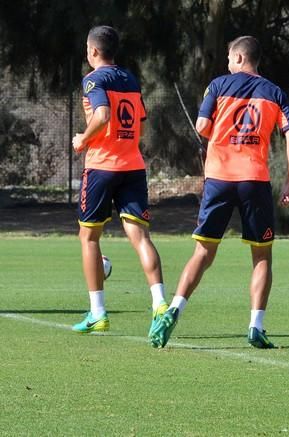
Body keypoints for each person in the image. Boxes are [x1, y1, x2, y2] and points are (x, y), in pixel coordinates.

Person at [149, 36, 289, 349]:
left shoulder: (217, 86)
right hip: (254, 180)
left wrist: (219, 132)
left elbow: (203, 125)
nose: (228, 64)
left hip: (218, 178)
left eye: (231, 58)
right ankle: (256, 326)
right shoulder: (275, 93)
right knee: (262, 257)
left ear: (241, 58)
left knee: (203, 253)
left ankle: (174, 310)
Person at [71, 26, 168, 334]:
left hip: (101, 167)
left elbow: (102, 115)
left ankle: (97, 313)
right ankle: (159, 304)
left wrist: (83, 140)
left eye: (88, 49)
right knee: (141, 237)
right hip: (132, 166)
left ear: (94, 52)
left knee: (89, 238)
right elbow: (139, 117)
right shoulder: (130, 79)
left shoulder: (92, 80)